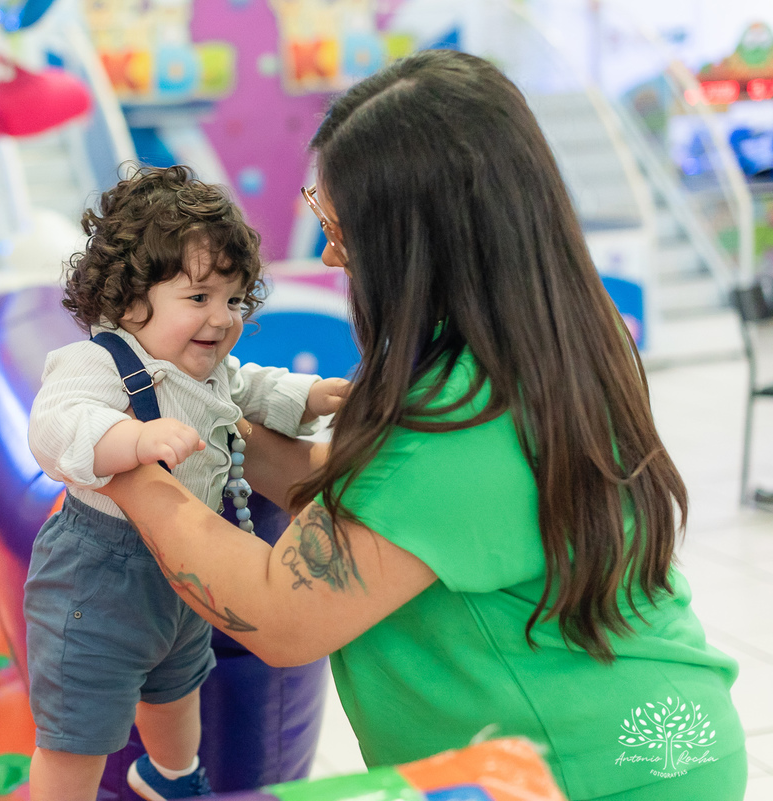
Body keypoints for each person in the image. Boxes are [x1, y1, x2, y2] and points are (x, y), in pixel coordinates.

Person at [94, 50, 747, 801]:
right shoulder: (548, 339)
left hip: (582, 774)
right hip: (659, 740)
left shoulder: (455, 422)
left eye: (343, 228)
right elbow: (364, 510)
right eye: (322, 214)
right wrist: (206, 407)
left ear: (420, 240)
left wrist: (124, 458)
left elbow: (280, 614)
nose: (333, 251)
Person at [25, 165, 350, 801]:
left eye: (233, 300)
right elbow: (55, 426)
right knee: (78, 732)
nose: (222, 318)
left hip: (179, 568)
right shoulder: (98, 362)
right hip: (97, 577)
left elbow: (252, 386)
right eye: (198, 299)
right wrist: (133, 443)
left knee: (178, 684)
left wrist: (311, 395)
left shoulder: (208, 368)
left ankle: (171, 776)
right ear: (127, 299)